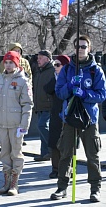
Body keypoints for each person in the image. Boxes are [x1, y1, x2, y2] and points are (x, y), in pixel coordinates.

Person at [51, 35, 106, 203]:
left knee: (92, 155)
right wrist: (70, 86)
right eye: (78, 46)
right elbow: (59, 92)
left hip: (88, 118)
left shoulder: (95, 70)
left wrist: (84, 93)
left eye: (83, 46)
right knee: (65, 153)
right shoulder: (67, 69)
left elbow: (101, 95)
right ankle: (62, 187)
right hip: (69, 117)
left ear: (89, 49)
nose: (80, 49)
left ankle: (95, 189)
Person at [0, 50, 33, 196]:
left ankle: (14, 183)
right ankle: (6, 181)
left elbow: (28, 104)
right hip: (1, 123)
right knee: (4, 153)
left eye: (11, 62)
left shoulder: (23, 81)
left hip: (16, 124)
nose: (8, 65)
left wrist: (24, 125)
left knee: (16, 153)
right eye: (6, 62)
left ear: (16, 63)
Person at [43, 55, 70, 179]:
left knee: (67, 144)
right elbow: (47, 89)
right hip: (55, 114)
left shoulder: (70, 79)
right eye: (54, 64)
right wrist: (56, 79)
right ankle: (55, 168)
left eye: (58, 65)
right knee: (54, 142)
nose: (55, 67)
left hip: (68, 115)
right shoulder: (55, 77)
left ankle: (68, 169)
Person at [32, 49, 54, 161]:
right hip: (39, 105)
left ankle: (52, 150)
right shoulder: (39, 71)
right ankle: (44, 153)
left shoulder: (52, 70)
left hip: (48, 105)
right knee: (41, 129)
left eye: (40, 58)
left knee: (42, 126)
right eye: (38, 58)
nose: (38, 60)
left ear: (47, 59)